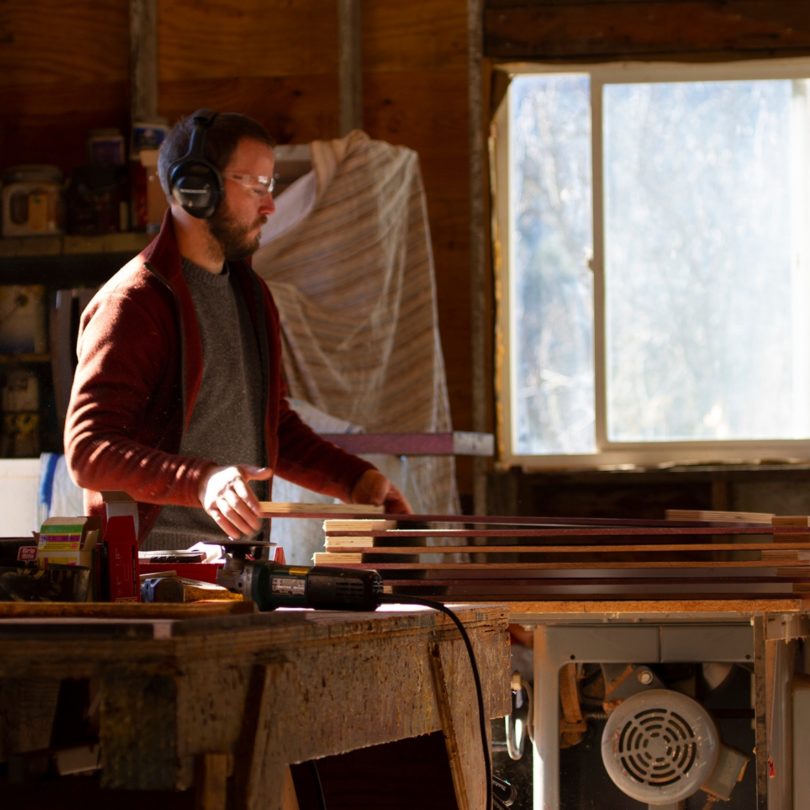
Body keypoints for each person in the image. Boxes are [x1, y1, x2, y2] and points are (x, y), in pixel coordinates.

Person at [64, 109, 410, 550]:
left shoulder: (253, 297)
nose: (269, 206)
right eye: (256, 186)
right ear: (196, 188)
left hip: (240, 571)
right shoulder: (133, 303)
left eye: (271, 187)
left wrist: (356, 481)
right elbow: (89, 451)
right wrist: (201, 481)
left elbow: (273, 428)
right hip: (151, 578)